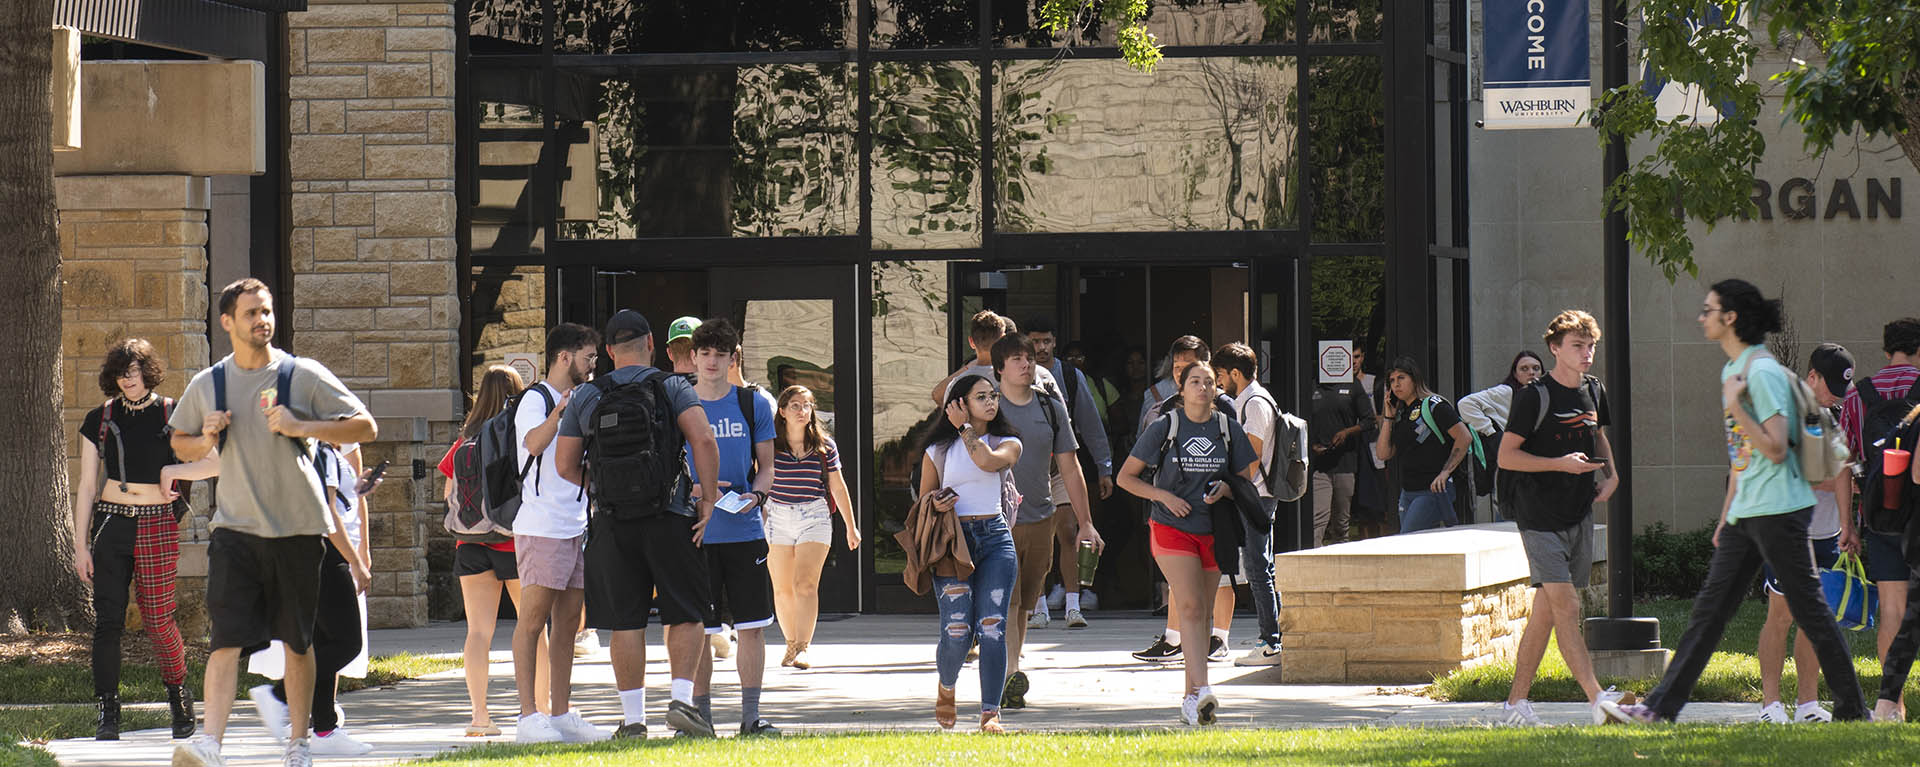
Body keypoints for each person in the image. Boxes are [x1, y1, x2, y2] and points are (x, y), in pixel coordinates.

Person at [1615, 279, 1869, 723]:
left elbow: (1773, 446)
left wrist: (1738, 406)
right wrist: (1727, 512)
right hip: (1750, 512)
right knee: (1710, 613)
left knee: (1809, 610)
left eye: (1709, 309)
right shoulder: (1735, 370)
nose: (1702, 316)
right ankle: (1659, 708)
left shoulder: (1762, 374)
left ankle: (1852, 708)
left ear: (1730, 318)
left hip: (1780, 511)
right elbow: (1743, 455)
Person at [169, 278, 378, 767]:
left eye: (267, 311)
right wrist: (205, 438)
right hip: (236, 532)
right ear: (227, 322)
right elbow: (180, 442)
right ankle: (209, 745)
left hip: (299, 531)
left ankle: (298, 743)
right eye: (251, 313)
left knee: (298, 642)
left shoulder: (300, 375)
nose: (262, 320)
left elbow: (364, 426)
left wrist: (302, 426)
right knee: (225, 642)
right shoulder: (210, 384)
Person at [557, 309, 721, 738]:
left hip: (612, 521)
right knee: (685, 612)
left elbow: (564, 464)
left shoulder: (587, 396)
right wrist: (707, 501)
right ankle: (682, 702)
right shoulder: (671, 386)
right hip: (670, 514)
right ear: (650, 343)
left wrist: (605, 486)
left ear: (608, 351)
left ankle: (633, 720)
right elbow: (703, 438)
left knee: (625, 620)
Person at [1494, 311, 1627, 727]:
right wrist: (1559, 464)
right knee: (1567, 606)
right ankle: (1597, 699)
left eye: (1591, 346)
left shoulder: (1593, 389)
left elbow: (1597, 432)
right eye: (1577, 346)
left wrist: (1612, 474)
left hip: (1578, 511)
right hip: (1538, 516)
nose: (1587, 354)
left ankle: (1516, 703)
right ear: (1555, 348)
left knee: (1547, 612)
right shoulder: (1534, 396)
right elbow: (1506, 455)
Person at [73, 339, 205, 741]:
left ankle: (179, 698)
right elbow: (86, 485)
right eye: (120, 373)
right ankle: (107, 713)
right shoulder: (100, 418)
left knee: (158, 619)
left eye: (133, 371)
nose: (127, 380)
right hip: (111, 524)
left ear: (147, 371)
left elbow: (208, 460)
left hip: (157, 524)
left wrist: (175, 477)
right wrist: (80, 546)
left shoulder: (172, 412)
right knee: (107, 622)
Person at [1117, 361, 1258, 725]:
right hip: (1171, 527)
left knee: (1202, 612)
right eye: (1194, 381)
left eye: (1209, 382)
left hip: (1215, 528)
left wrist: (1226, 488)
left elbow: (1245, 477)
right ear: (1181, 389)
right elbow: (1126, 478)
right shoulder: (1166, 426)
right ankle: (1205, 688)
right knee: (1192, 606)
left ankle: (1190, 700)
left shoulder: (1228, 428)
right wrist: (1163, 497)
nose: (1202, 387)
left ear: (1217, 388)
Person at [681, 319, 782, 737]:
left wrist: (756, 497)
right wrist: (689, 489)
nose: (711, 361)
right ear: (693, 357)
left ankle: (750, 718)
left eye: (720, 354)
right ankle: (701, 718)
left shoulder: (752, 403)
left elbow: (769, 467)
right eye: (704, 353)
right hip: (698, 532)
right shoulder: (680, 404)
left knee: (751, 627)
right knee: (700, 631)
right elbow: (669, 466)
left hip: (744, 532)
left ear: (732, 358)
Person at [435, 366, 547, 738]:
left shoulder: (463, 441)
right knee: (533, 630)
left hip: (470, 545)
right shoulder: (515, 436)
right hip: (513, 543)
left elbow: (447, 494)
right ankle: (540, 710)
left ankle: (480, 717)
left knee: (478, 632)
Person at [245, 438, 377, 756]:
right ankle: (279, 696)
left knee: (323, 642)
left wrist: (357, 489)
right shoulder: (321, 453)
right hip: (327, 555)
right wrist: (356, 562)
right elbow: (327, 514)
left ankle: (324, 727)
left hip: (314, 554)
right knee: (347, 644)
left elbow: (335, 502)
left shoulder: (324, 453)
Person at [508, 323, 608, 743]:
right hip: (541, 527)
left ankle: (561, 713)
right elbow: (532, 444)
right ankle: (528, 716)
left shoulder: (580, 399)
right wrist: (561, 412)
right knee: (532, 622)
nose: (593, 365)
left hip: (575, 525)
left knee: (568, 625)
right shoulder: (536, 399)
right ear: (564, 357)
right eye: (588, 357)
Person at [990, 334, 1100, 709]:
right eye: (1017, 359)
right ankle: (1006, 673)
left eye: (1029, 358)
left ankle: (1012, 668)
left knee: (1024, 605)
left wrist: (1085, 522)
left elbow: (1070, 466)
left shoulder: (1050, 406)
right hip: (995, 519)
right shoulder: (987, 407)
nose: (1026, 363)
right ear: (999, 368)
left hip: (1040, 515)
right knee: (1006, 599)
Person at [1754, 343, 1855, 723]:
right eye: (1829, 387)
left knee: (1818, 618)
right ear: (1811, 377)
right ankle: (1770, 704)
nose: (1833, 397)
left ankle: (1808, 705)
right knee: (1781, 615)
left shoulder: (1836, 415)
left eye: (1839, 391)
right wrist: (1843, 478)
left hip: (1826, 532)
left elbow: (1842, 471)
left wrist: (1848, 514)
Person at [918, 374, 1022, 733]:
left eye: (993, 396)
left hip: (995, 539)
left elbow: (987, 462)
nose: (991, 402)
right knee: (958, 629)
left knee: (993, 626)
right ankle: (946, 687)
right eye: (981, 397)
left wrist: (964, 427)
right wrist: (936, 500)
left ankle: (990, 713)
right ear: (958, 404)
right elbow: (923, 503)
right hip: (952, 543)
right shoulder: (938, 451)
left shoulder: (1007, 442)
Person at [1129, 336, 1240, 665]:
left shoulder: (1225, 407)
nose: (1180, 374)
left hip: (1217, 510)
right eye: (1177, 368)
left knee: (1220, 576)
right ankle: (1174, 638)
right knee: (1180, 578)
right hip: (1174, 510)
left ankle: (1218, 638)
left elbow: (1241, 463)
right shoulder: (1166, 408)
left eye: (1189, 369)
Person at [1840, 317, 1920, 722]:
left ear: (1887, 348)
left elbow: (1844, 462)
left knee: (1891, 609)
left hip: (1880, 513)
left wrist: (1848, 525)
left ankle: (1894, 705)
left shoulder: (1858, 396)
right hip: (1918, 511)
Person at [1025, 319, 1114, 629]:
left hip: (1062, 462)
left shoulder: (1071, 377)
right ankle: (1038, 607)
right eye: (1035, 341)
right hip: (1027, 466)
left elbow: (1091, 424)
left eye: (1047, 341)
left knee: (1068, 530)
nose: (1042, 347)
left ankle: (1074, 605)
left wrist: (1104, 467)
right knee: (1037, 539)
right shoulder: (1012, 376)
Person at [766, 385, 860, 670]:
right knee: (782, 590)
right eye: (795, 405)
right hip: (776, 515)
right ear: (782, 411)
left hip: (814, 515)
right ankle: (791, 643)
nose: (802, 411)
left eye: (807, 405)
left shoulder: (824, 446)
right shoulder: (769, 445)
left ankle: (803, 648)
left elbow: (837, 486)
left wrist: (850, 527)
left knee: (804, 584)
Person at [1213, 343, 1284, 666]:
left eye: (1221, 375)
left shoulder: (1254, 404)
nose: (1219, 382)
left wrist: (1231, 486)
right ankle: (1278, 637)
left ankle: (1271, 642)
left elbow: (1252, 459)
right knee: (1261, 566)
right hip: (1258, 494)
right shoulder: (1253, 399)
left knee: (1257, 568)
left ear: (1235, 374)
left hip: (1257, 495)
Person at [1375, 356, 1470, 534]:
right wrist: (1388, 416)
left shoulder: (1435, 405)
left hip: (1433, 489)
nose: (1396, 385)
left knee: (1407, 539)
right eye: (1392, 381)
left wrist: (1445, 472)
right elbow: (1383, 453)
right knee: (1418, 545)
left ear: (1414, 378)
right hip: (1408, 492)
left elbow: (1464, 437)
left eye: (1401, 378)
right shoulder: (1401, 414)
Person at [1458, 351, 1546, 519]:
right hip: (1512, 467)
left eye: (1536, 368)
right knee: (1509, 516)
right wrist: (1490, 431)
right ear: (1515, 373)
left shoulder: (1544, 395)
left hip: (1537, 467)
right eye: (1524, 369)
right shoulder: (1506, 392)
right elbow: (1465, 404)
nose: (1531, 373)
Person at [1307, 350, 1379, 547]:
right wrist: (1311, 444)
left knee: (1341, 522)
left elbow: (1369, 420)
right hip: (1319, 464)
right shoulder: (1312, 385)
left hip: (1345, 462)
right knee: (1318, 518)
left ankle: (1340, 565)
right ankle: (1314, 563)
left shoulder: (1352, 385)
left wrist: (1346, 432)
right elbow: (1303, 421)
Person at [930, 310, 1056, 405]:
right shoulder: (1026, 374)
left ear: (971, 342)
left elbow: (937, 396)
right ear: (1003, 340)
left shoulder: (956, 383)